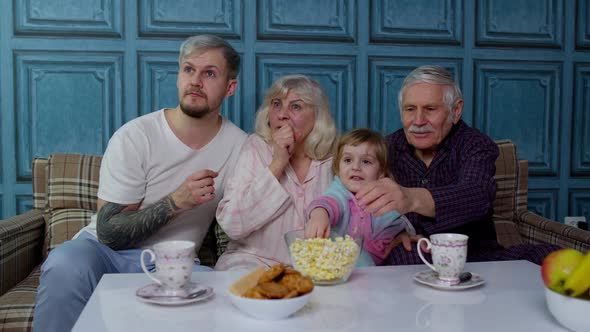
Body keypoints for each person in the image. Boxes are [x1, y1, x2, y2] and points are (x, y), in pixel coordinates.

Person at [33, 34, 247, 331]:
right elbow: (108, 233)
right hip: (103, 253)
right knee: (65, 261)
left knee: (209, 302)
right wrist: (175, 202)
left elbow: (250, 213)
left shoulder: (240, 147)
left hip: (172, 262)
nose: (196, 81)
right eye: (188, 69)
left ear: (230, 87)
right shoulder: (137, 136)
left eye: (209, 73)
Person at [355, 65, 558, 265]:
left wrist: (410, 198)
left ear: (456, 110)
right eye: (410, 109)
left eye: (430, 109)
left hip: (475, 257)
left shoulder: (475, 145)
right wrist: (390, 235)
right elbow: (353, 204)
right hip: (414, 254)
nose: (418, 120)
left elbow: (476, 194)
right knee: (404, 257)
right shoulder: (385, 149)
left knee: (553, 256)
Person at [215, 74, 338, 270]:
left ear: (317, 115)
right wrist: (278, 163)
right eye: (276, 104)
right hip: (253, 263)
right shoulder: (255, 147)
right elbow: (232, 224)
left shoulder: (335, 157)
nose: (282, 114)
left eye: (296, 106)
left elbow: (360, 218)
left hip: (317, 267)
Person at [304, 128, 414, 266]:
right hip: (332, 263)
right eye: (348, 160)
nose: (355, 167)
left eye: (366, 162)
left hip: (371, 273)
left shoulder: (382, 199)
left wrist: (399, 234)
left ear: (380, 172)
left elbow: (394, 225)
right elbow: (329, 202)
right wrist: (319, 214)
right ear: (338, 167)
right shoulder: (340, 190)